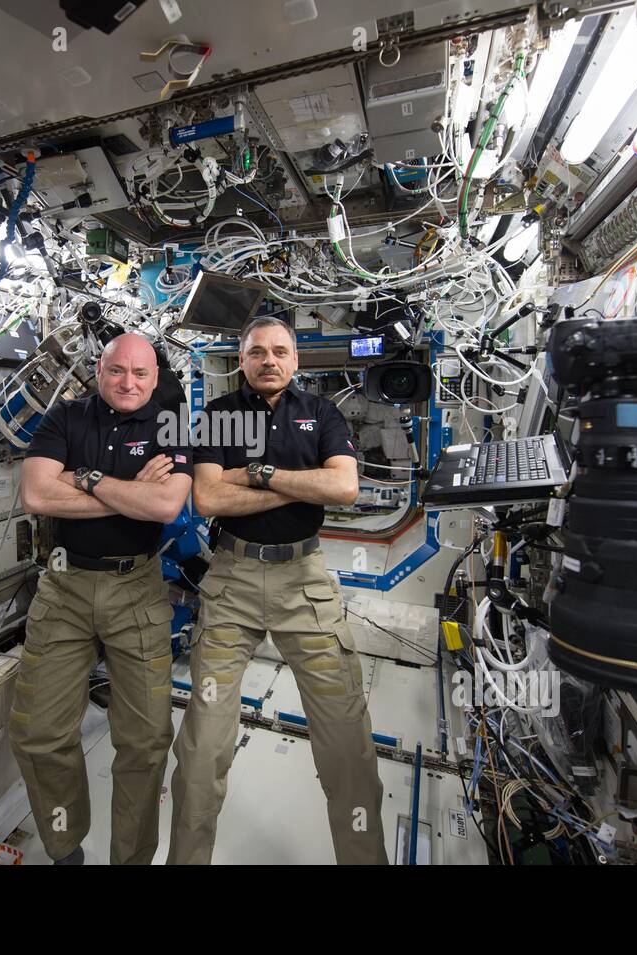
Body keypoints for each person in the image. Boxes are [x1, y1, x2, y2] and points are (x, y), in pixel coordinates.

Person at [168, 315, 388, 865]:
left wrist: (256, 474)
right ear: (241, 359)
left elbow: (342, 486)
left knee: (346, 741)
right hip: (232, 581)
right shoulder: (219, 415)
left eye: (281, 351)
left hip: (304, 583)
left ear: (296, 359)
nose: (270, 360)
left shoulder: (322, 412)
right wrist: (297, 483)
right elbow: (210, 501)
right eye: (257, 352)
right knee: (201, 744)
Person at [12, 332, 192, 865]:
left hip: (135, 587)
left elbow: (163, 504)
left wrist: (86, 478)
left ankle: (130, 858)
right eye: (117, 371)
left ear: (156, 377)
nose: (128, 383)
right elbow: (37, 494)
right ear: (99, 370)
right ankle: (65, 849)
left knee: (143, 741)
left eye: (141, 374)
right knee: (38, 733)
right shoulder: (65, 417)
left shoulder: (171, 423)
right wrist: (126, 492)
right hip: (63, 588)